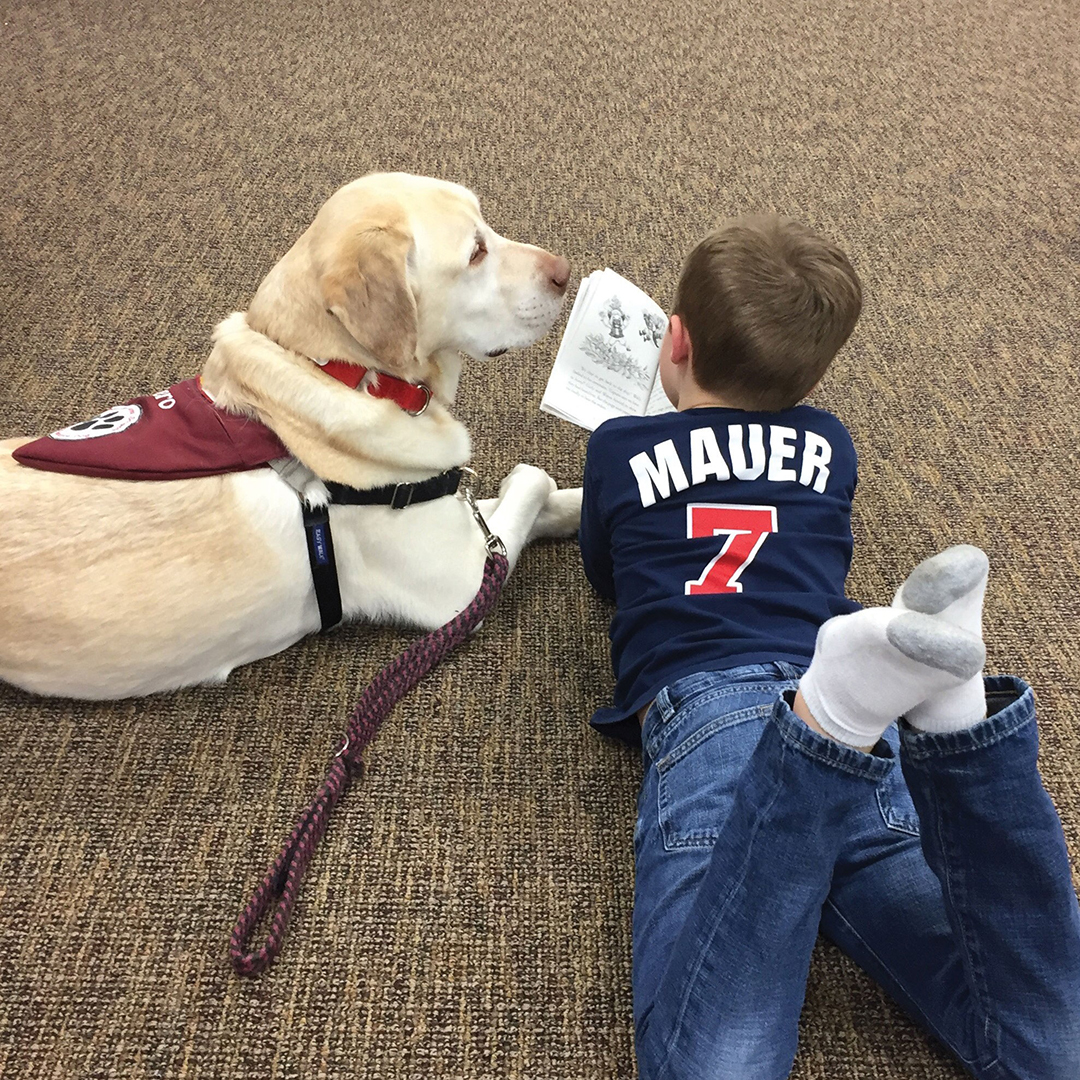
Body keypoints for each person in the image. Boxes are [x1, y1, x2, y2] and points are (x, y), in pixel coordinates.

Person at [577, 216, 1080, 1079]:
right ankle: (953, 724)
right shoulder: (830, 442)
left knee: (704, 1061)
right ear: (813, 376)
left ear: (677, 341)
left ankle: (830, 719)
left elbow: (605, 570)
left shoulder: (620, 446)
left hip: (712, 707)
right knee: (1052, 1049)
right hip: (843, 697)